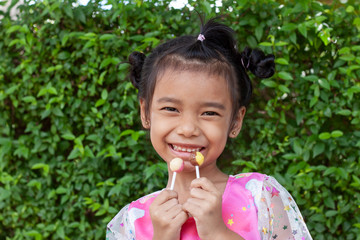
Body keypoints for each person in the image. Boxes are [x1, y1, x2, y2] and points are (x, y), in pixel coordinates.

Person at [106, 18, 312, 240]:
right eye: (171, 108)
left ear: (235, 122)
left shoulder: (261, 196)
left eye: (209, 113)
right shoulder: (130, 223)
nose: (188, 129)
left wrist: (217, 232)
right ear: (146, 113)